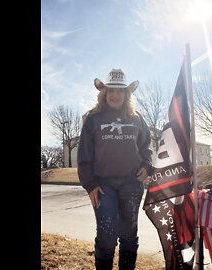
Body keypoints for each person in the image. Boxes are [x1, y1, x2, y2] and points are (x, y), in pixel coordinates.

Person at [77, 68, 153, 270]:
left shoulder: (137, 118)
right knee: (107, 235)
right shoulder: (93, 119)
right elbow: (84, 155)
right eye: (111, 90)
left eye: (120, 91)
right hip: (103, 186)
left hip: (131, 183)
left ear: (127, 94)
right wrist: (90, 184)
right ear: (104, 93)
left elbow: (147, 146)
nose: (115, 94)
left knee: (128, 235)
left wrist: (147, 165)